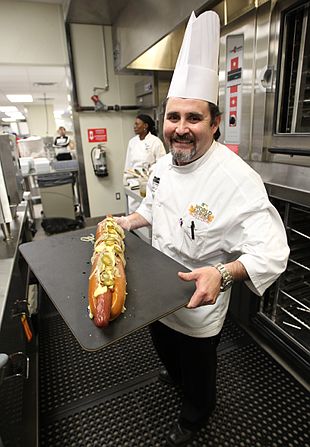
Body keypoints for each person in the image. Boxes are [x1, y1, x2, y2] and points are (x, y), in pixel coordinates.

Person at [113, 11, 289, 446]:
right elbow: (154, 208)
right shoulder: (163, 166)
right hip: (155, 293)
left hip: (199, 304)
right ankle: (177, 380)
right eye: (174, 118)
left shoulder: (235, 179)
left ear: (215, 123)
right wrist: (125, 221)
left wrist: (224, 274)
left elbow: (272, 250)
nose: (181, 129)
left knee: (197, 369)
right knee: (166, 352)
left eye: (194, 118)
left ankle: (196, 417)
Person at [124, 114, 166, 212]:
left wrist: (152, 171)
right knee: (133, 210)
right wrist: (126, 181)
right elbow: (128, 163)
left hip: (148, 182)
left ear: (145, 126)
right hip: (133, 183)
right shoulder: (132, 142)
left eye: (137, 124)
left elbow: (162, 163)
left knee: (148, 210)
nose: (134, 126)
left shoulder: (155, 142)